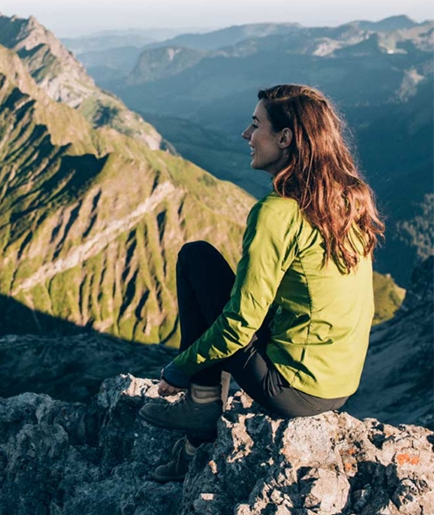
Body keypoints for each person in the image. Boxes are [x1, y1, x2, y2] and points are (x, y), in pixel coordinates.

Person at [138, 84, 384, 482]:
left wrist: (178, 369)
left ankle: (200, 405)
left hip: (293, 390)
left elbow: (238, 326)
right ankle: (198, 427)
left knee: (195, 260)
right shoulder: (344, 198)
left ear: (285, 138)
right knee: (214, 274)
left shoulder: (277, 212)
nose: (246, 136)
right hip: (337, 383)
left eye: (256, 125)